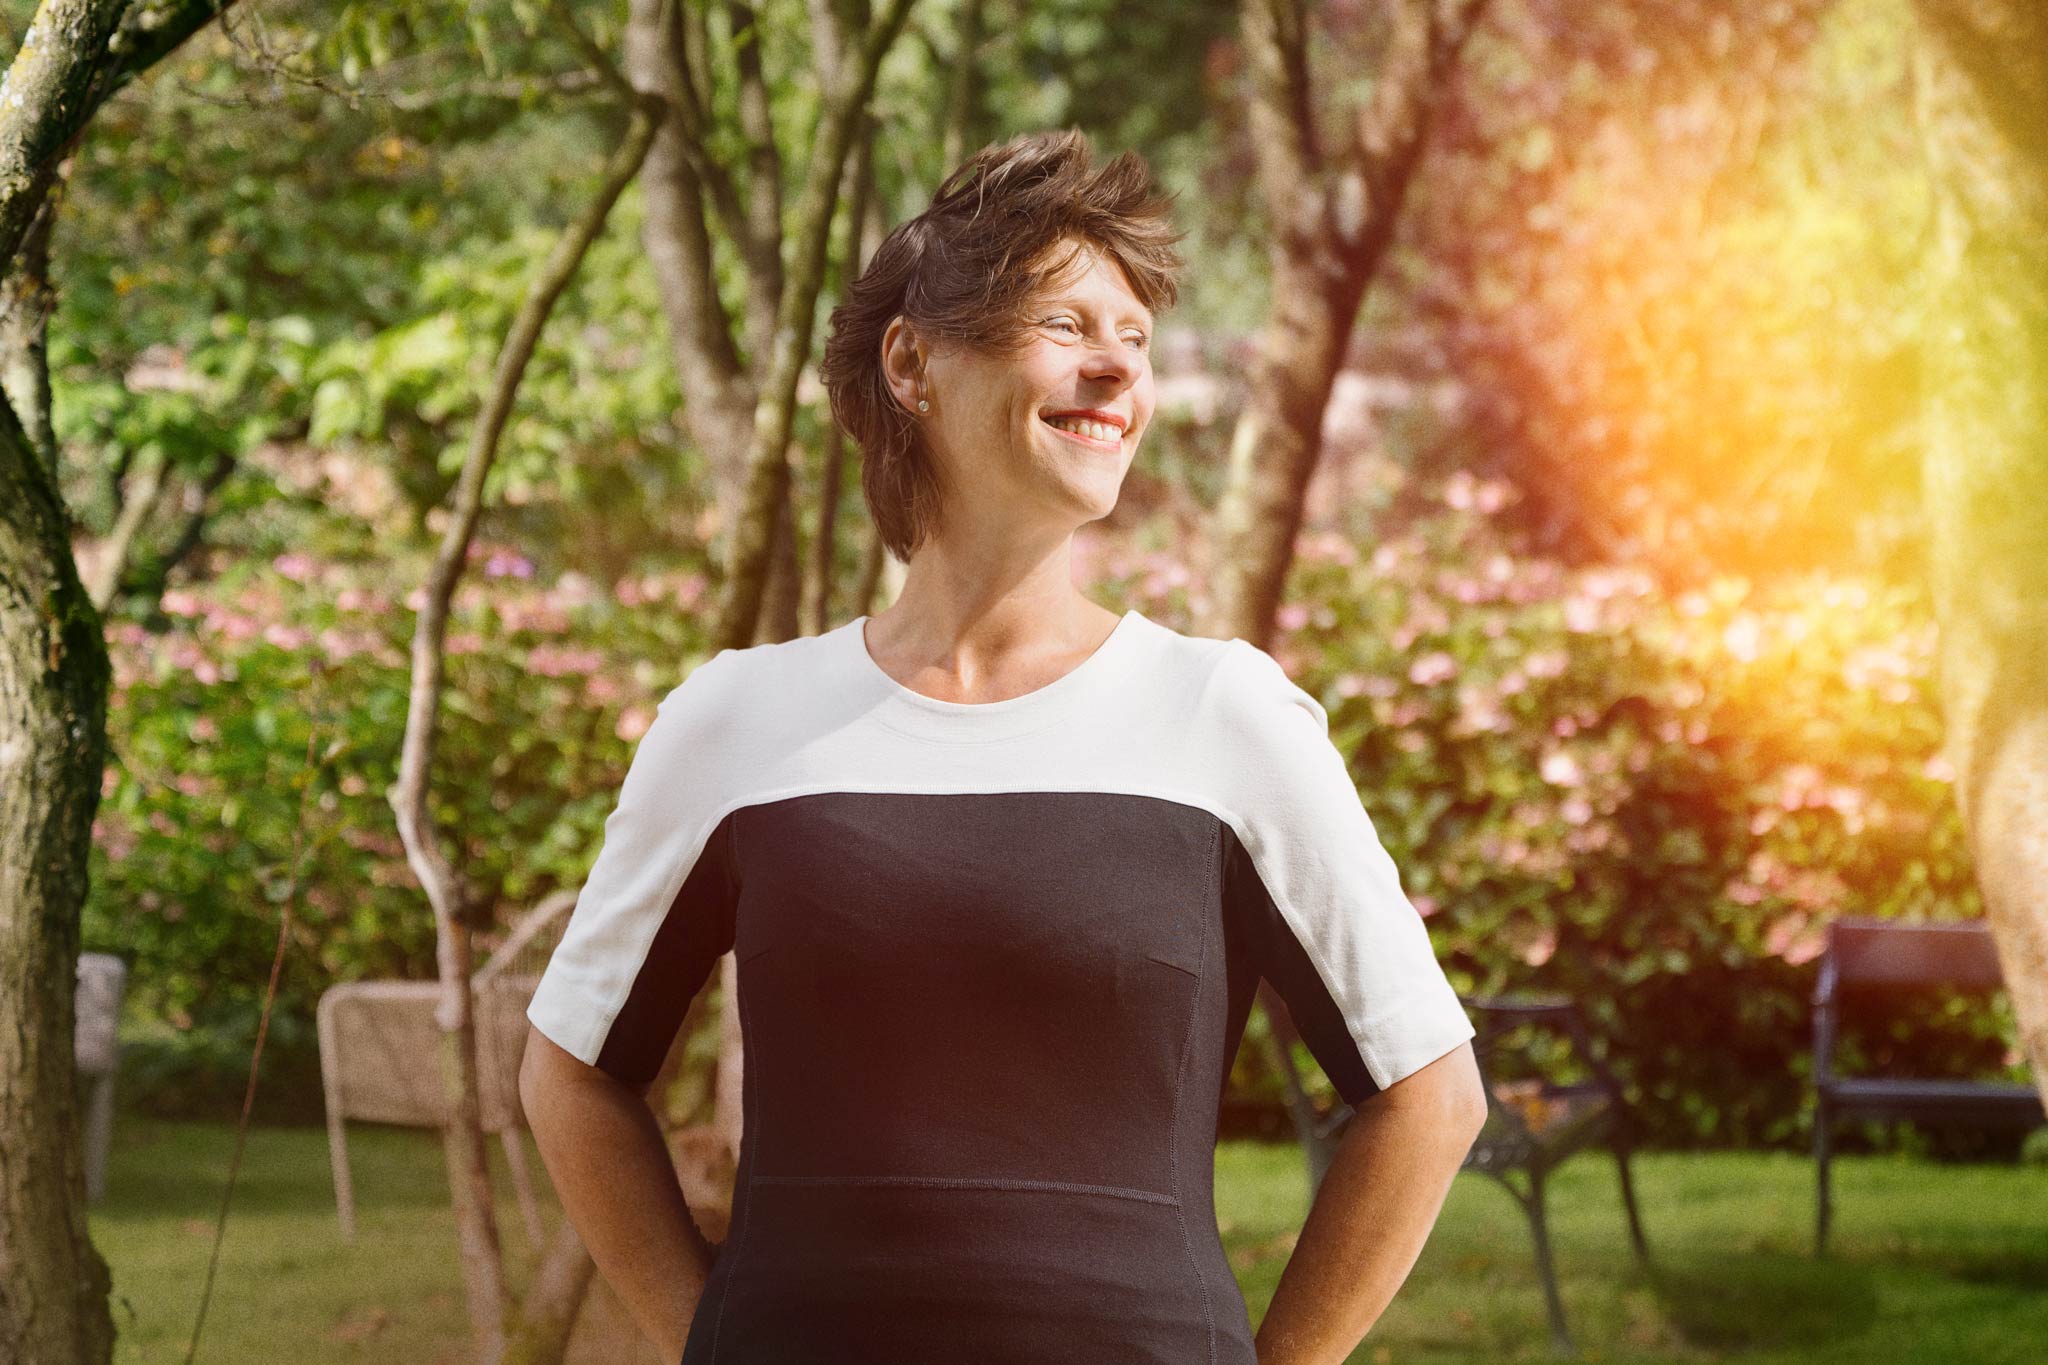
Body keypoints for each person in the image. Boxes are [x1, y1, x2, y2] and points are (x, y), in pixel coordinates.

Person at [519, 128, 1488, 1365]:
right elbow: (571, 1073)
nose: (1114, 374)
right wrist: (702, 1337)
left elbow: (1426, 1093)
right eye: (1067, 326)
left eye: (1132, 340)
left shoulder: (1225, 717)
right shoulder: (739, 721)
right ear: (913, 364)